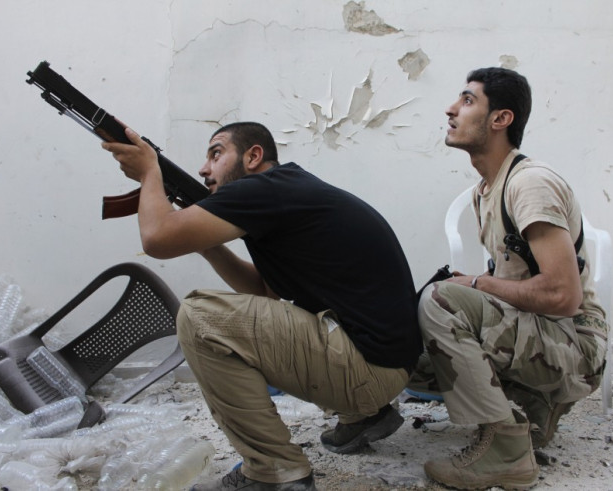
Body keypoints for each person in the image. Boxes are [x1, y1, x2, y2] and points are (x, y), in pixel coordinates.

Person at [102, 122, 422, 490]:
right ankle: (365, 415)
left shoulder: (264, 190)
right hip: (385, 367)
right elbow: (263, 292)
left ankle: (274, 471)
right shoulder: (283, 196)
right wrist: (206, 244)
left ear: (254, 156)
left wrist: (149, 172)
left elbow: (157, 238)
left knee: (199, 316)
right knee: (250, 321)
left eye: (216, 153)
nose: (204, 169)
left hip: (369, 368)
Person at [417, 68, 609, 490]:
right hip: (539, 331)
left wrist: (476, 285)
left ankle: (505, 452)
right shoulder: (484, 190)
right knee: (407, 347)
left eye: (468, 101)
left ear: (500, 119)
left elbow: (562, 295)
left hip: (574, 343)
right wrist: (479, 282)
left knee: (441, 300)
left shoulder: (529, 184)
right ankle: (533, 405)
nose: (451, 109)